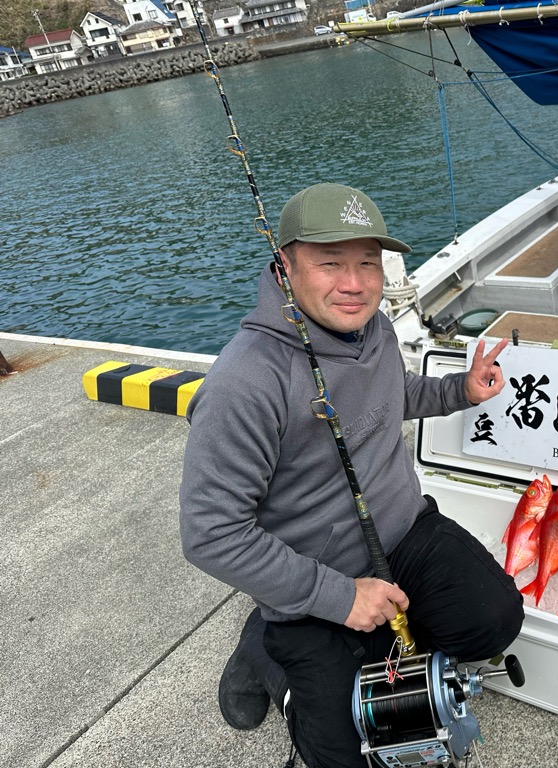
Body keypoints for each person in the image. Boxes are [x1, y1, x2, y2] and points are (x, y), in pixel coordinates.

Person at [179, 183, 524, 768]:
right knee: (344, 754)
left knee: (493, 621)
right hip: (314, 575)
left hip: (404, 532)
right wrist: (338, 598)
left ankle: (373, 639)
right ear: (285, 265)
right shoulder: (244, 382)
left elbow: (394, 394)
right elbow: (210, 533)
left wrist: (457, 391)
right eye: (330, 262)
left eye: (368, 263)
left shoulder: (375, 328)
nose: (355, 283)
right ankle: (264, 648)